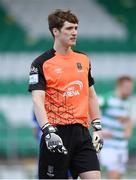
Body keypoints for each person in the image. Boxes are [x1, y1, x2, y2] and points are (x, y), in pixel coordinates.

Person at [28, 9, 103, 179]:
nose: (74, 32)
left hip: (82, 134)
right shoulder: (41, 63)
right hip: (56, 134)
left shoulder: (83, 59)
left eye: (76, 28)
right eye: (69, 28)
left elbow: (91, 95)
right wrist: (48, 131)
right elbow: (37, 100)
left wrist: (97, 127)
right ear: (55, 31)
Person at [99, 75, 134, 179]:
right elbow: (91, 110)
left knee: (118, 176)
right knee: (113, 175)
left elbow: (128, 119)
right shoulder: (107, 98)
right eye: (127, 87)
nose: (130, 90)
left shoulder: (126, 102)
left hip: (122, 146)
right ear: (119, 86)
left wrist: (129, 131)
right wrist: (100, 130)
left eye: (131, 88)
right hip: (109, 146)